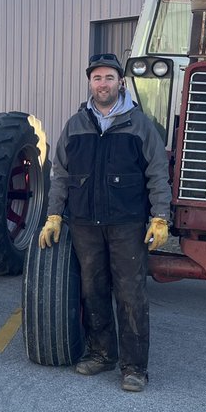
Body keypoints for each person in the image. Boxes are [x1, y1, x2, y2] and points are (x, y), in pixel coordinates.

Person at [39, 52, 172, 392]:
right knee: (93, 290)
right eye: (97, 78)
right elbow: (60, 174)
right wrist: (54, 215)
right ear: (90, 83)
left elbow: (157, 173)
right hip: (85, 223)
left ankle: (134, 368)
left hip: (127, 223)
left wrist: (160, 216)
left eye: (109, 78)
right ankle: (102, 353)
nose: (103, 84)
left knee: (131, 294)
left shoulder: (140, 125)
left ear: (120, 83)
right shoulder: (76, 124)